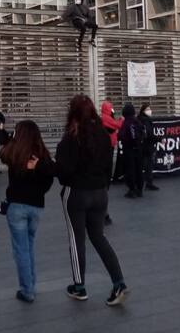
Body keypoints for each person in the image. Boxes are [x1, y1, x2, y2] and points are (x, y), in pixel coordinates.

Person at [57, 94, 128, 306]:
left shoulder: (71, 137)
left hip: (77, 193)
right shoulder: (103, 134)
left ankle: (79, 286)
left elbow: (63, 171)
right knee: (99, 237)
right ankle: (119, 282)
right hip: (100, 193)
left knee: (76, 239)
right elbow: (108, 166)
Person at [0, 120, 56, 303]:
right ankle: (31, 284)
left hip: (16, 206)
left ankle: (27, 290)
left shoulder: (14, 152)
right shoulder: (41, 155)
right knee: (29, 246)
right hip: (36, 206)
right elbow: (51, 175)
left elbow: (3, 153)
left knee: (21, 249)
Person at [118, 104, 142, 198]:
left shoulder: (126, 123)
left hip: (129, 149)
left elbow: (122, 135)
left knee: (130, 170)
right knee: (138, 169)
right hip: (138, 149)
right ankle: (139, 189)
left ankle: (132, 189)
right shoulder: (137, 121)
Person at [101, 100, 123, 184]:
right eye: (111, 108)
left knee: (107, 161)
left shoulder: (106, 117)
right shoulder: (106, 118)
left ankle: (107, 178)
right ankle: (107, 179)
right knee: (108, 162)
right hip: (108, 144)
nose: (112, 109)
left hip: (109, 143)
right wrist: (121, 119)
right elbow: (117, 125)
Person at [138, 104, 159, 191]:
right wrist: (159, 139)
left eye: (150, 109)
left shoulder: (139, 119)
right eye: (147, 109)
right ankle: (149, 183)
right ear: (143, 111)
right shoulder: (146, 120)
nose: (150, 110)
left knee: (142, 165)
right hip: (148, 146)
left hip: (141, 146)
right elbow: (150, 134)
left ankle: (141, 183)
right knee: (149, 166)